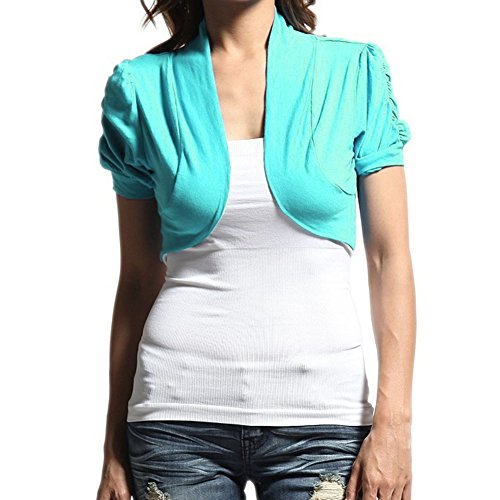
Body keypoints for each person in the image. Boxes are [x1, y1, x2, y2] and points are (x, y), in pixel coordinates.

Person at [96, 1, 416, 499]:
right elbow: (138, 279)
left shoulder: (353, 72)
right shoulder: (141, 87)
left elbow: (389, 259)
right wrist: (113, 446)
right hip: (175, 421)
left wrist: (395, 426)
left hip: (324, 422)